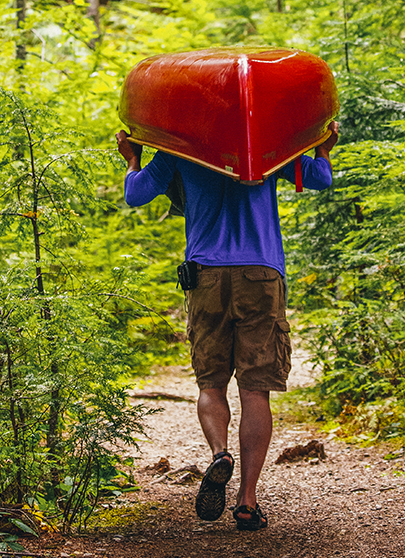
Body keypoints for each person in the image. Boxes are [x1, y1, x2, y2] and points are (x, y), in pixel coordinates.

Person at [116, 122, 339, 530]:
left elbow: (135, 194)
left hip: (205, 278)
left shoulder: (179, 149)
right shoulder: (267, 146)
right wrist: (323, 147)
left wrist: (133, 158)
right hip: (261, 274)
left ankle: (219, 454)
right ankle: (248, 501)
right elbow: (321, 179)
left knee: (211, 384)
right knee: (256, 391)